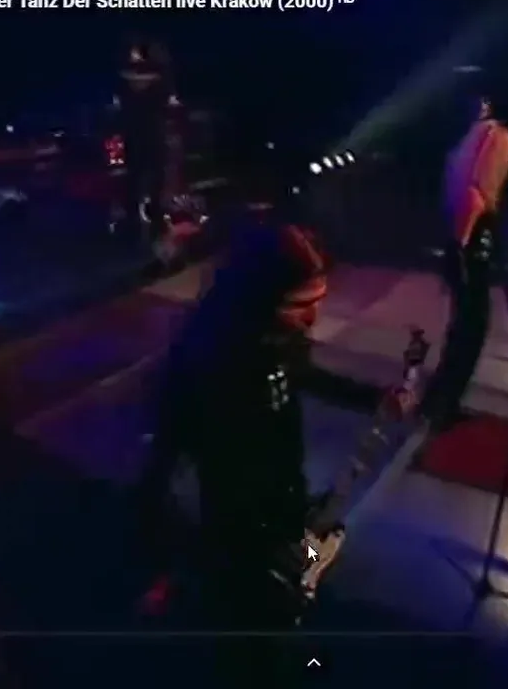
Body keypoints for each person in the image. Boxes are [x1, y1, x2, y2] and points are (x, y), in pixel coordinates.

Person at [135, 202, 329, 680]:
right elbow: (189, 463)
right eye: (300, 305)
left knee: (283, 604)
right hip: (241, 527)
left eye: (318, 300)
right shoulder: (217, 364)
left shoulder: (276, 340)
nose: (313, 316)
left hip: (281, 509)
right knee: (246, 625)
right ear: (262, 300)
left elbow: (298, 391)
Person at [419, 92, 508, 429]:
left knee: (462, 325)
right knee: (472, 327)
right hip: (472, 237)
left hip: (459, 237)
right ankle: (443, 406)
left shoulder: (463, 141)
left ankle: (438, 400)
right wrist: (464, 244)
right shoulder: (497, 136)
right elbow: (477, 195)